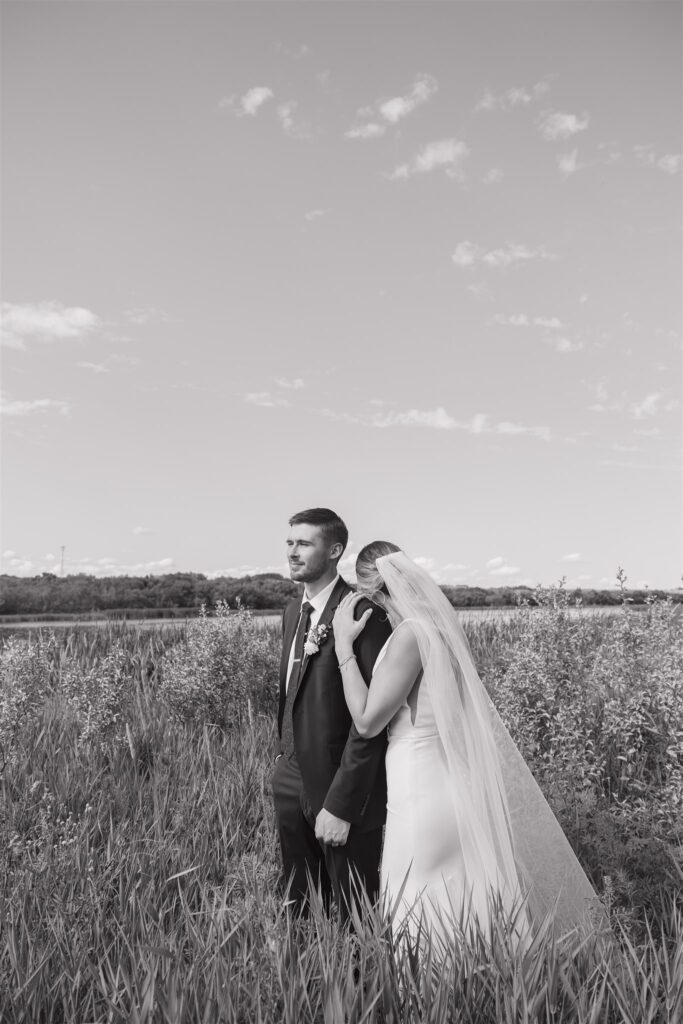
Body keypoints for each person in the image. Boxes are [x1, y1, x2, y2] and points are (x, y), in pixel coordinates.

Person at [332, 542, 606, 944]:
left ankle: (427, 999)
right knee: (456, 887)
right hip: (444, 778)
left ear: (371, 592)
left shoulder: (410, 634)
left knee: (413, 894)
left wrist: (344, 650)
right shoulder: (439, 628)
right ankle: (478, 987)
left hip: (418, 783)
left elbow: (369, 721)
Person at [272, 509, 392, 918]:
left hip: (340, 788)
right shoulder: (292, 612)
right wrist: (281, 765)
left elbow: (372, 722)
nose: (293, 552)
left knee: (354, 912)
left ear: (335, 550)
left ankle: (361, 984)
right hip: (289, 778)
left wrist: (342, 804)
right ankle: (307, 982)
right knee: (300, 908)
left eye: (304, 544)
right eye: (290, 543)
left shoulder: (361, 612)